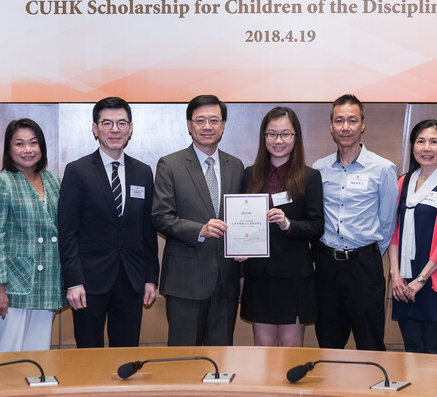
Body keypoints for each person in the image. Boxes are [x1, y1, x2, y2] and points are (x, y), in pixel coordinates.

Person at [57, 97, 159, 348]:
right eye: (107, 123)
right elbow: (67, 232)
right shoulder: (77, 171)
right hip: (89, 281)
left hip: (131, 279)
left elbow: (147, 230)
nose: (115, 130)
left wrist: (150, 278)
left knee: (125, 353)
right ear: (95, 128)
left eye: (121, 123)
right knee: (88, 355)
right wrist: (73, 281)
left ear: (131, 128)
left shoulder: (143, 171)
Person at [153, 94, 245, 346]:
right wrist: (200, 230)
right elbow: (161, 217)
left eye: (214, 120)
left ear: (223, 125)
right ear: (189, 125)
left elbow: (242, 220)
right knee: (183, 361)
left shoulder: (236, 166)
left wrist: (243, 267)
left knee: (221, 359)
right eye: (200, 120)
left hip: (226, 282)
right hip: (185, 281)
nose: (207, 126)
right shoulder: (169, 165)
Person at [312, 94, 397, 351]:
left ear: (362, 125)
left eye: (352, 120)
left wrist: (365, 254)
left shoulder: (383, 169)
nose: (345, 127)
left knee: (370, 343)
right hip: (327, 268)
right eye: (339, 121)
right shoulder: (319, 168)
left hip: (364, 269)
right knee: (328, 343)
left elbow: (387, 223)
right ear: (331, 126)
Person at [240, 107, 324, 347]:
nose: (278, 141)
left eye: (285, 134)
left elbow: (317, 227)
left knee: (290, 348)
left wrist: (288, 224)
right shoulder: (249, 175)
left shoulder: (310, 177)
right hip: (259, 275)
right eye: (272, 134)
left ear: (295, 137)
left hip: (294, 276)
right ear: (263, 137)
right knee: (263, 348)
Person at [0, 118, 64, 352]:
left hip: (46, 282)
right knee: (5, 355)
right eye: (19, 144)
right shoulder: (1, 182)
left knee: (38, 356)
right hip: (13, 286)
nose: (27, 150)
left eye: (33, 143)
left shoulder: (53, 180)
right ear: (9, 149)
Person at [388, 119, 437, 355]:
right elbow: (393, 231)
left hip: (433, 282)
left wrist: (420, 280)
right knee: (412, 352)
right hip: (404, 283)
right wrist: (395, 274)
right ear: (413, 146)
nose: (426, 148)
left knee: (436, 355)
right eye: (421, 141)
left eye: (434, 142)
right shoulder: (403, 182)